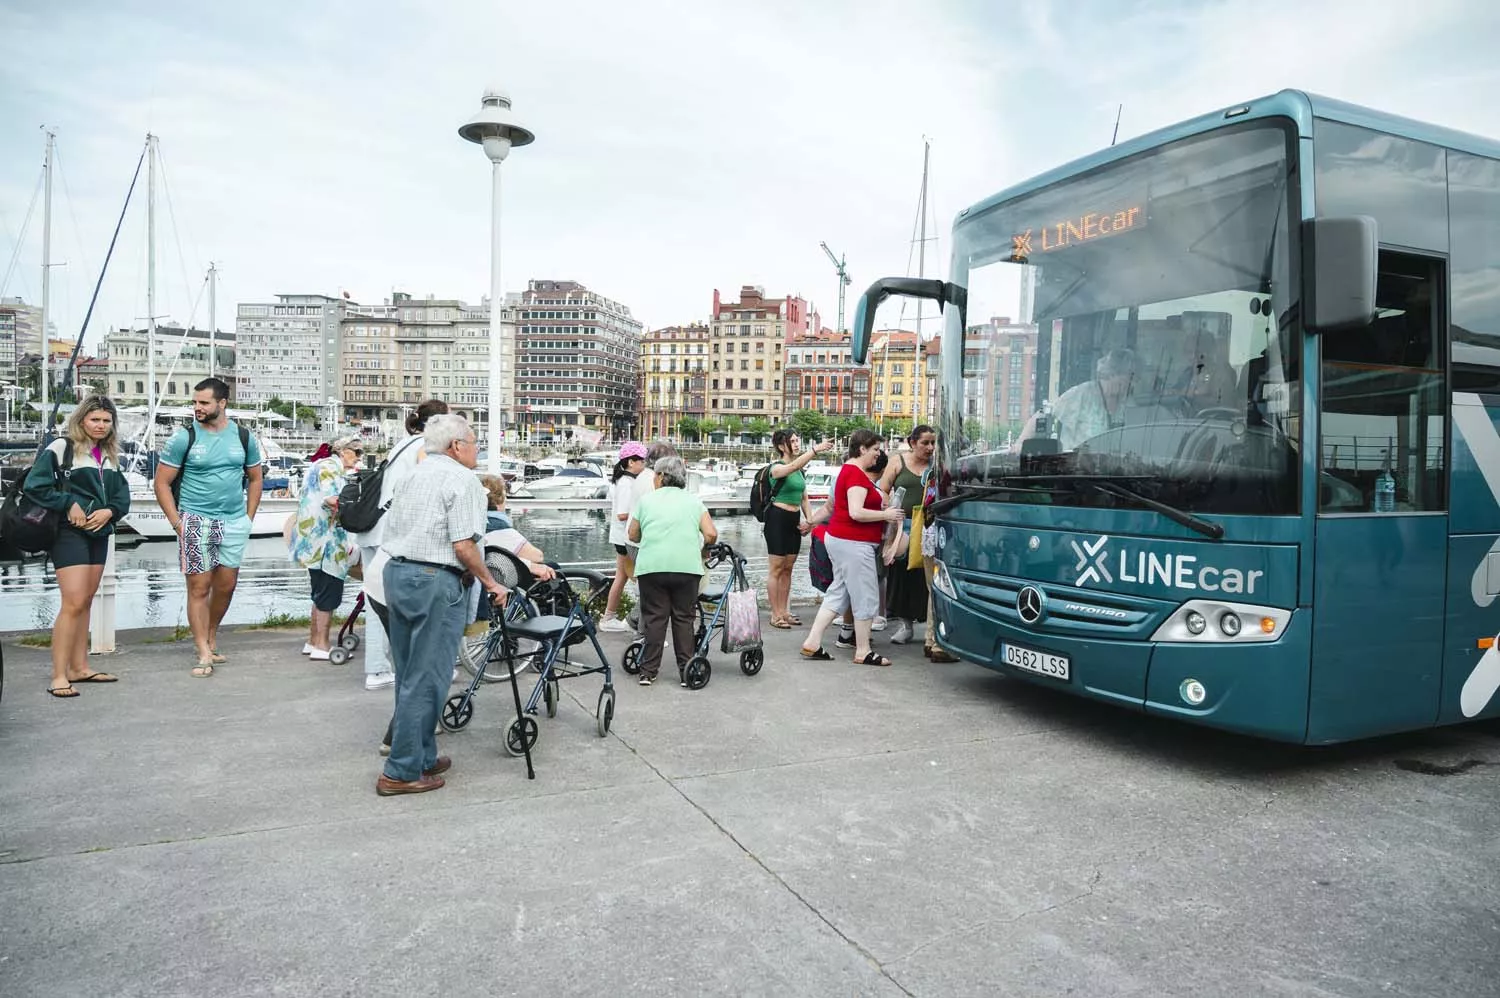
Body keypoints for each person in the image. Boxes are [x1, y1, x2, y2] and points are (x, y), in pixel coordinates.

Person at [377, 414, 508, 797]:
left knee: (409, 673)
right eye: (473, 441)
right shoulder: (463, 481)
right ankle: (400, 771)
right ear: (456, 447)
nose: (477, 448)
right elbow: (463, 545)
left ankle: (421, 754)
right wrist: (491, 582)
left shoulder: (412, 474)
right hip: (434, 580)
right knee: (430, 678)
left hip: (397, 574)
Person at [153, 377, 263, 678]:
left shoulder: (243, 437)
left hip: (234, 521)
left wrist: (248, 518)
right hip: (196, 519)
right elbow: (161, 483)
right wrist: (177, 522)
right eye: (195, 402)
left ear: (222, 403)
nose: (197, 408)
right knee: (199, 588)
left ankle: (211, 634)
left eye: (204, 402)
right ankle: (202, 649)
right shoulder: (183, 438)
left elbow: (255, 478)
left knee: (226, 586)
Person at [24, 396, 130, 698]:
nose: (100, 425)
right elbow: (35, 486)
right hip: (68, 533)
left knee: (85, 600)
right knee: (72, 602)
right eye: (95, 419)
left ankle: (79, 667)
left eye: (106, 421)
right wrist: (68, 502)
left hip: (99, 532)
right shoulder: (62, 448)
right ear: (82, 419)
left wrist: (111, 511)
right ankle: (58, 675)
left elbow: (121, 496)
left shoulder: (109, 455)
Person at [350, 399, 447, 692]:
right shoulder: (421, 448)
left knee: (375, 599)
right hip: (390, 534)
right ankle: (382, 669)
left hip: (372, 530)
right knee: (394, 602)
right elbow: (426, 485)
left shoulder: (400, 445)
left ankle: (381, 666)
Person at [799, 429, 903, 667]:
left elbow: (830, 508)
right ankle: (863, 650)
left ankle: (812, 641)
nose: (879, 454)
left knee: (838, 593)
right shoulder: (856, 476)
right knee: (866, 596)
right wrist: (885, 514)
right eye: (876, 449)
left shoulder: (845, 471)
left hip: (840, 540)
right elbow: (856, 512)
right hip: (854, 544)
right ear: (862, 449)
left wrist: (810, 522)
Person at [627, 455, 718, 687]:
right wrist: (705, 551)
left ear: (662, 476)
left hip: (652, 567)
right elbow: (711, 534)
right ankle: (686, 671)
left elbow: (632, 534)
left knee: (655, 618)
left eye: (655, 475)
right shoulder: (694, 502)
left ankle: (648, 672)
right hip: (687, 567)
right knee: (683, 619)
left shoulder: (647, 501)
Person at [288, 436, 362, 660]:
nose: (358, 457)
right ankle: (321, 645)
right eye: (356, 452)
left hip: (310, 540)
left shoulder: (318, 465)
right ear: (343, 451)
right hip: (326, 542)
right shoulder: (331, 468)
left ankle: (313, 641)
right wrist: (361, 507)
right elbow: (332, 499)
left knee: (319, 592)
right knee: (329, 593)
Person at [764, 428, 833, 629]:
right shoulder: (775, 468)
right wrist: (815, 450)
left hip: (793, 519)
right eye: (792, 441)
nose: (796, 444)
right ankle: (775, 614)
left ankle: (785, 612)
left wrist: (810, 521)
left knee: (788, 568)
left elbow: (804, 497)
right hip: (777, 519)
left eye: (797, 440)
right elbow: (793, 465)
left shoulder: (800, 472)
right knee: (776, 568)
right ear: (780, 446)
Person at [877, 425, 936, 645]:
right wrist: (890, 509)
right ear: (912, 443)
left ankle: (929, 625)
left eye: (932, 443)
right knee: (901, 575)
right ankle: (906, 625)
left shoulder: (936, 465)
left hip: (930, 527)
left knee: (927, 577)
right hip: (903, 528)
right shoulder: (897, 461)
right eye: (925, 443)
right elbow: (882, 488)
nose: (930, 448)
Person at [1016, 349, 1137, 452]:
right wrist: (1019, 446)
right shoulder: (1083, 394)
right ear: (1114, 373)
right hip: (1076, 473)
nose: (1132, 383)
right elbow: (1045, 414)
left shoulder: (1127, 404)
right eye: (1129, 376)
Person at [601, 441, 648, 632]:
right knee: (643, 581)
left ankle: (609, 617)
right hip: (626, 539)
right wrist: (644, 514)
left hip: (621, 538)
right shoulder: (627, 484)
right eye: (641, 462)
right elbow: (622, 513)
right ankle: (638, 623)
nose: (643, 465)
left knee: (621, 578)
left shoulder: (624, 481)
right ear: (630, 462)